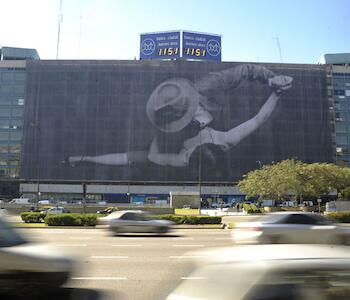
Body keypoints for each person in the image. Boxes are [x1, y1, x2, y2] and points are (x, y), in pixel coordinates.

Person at [65, 64, 293, 168]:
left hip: (162, 135)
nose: (194, 145)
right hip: (170, 123)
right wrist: (275, 88)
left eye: (192, 149)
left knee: (131, 155)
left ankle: (84, 158)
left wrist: (159, 133)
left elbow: (152, 157)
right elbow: (258, 119)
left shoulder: (183, 156)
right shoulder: (224, 135)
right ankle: (84, 159)